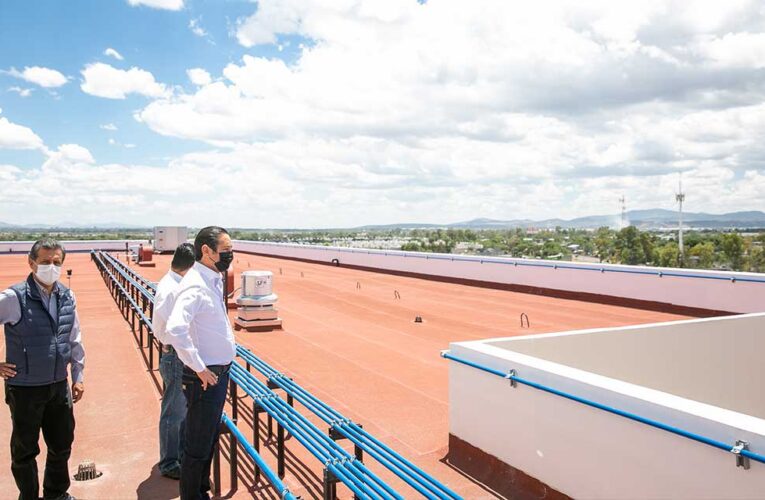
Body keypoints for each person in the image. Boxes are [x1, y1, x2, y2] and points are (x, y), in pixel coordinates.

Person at [0, 238, 85, 500]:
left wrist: (78, 376)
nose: (51, 267)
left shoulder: (68, 296)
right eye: (45, 262)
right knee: (25, 451)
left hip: (59, 385)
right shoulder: (14, 297)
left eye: (56, 262)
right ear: (31, 262)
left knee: (61, 445)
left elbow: (75, 339)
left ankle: (56, 494)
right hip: (25, 388)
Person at [164, 227, 235, 500]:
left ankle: (200, 492)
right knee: (197, 447)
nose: (230, 256)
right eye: (226, 251)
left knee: (206, 441)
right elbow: (175, 328)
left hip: (217, 373)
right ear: (206, 250)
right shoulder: (195, 285)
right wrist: (199, 367)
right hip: (206, 378)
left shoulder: (211, 278)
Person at [152, 243, 195, 480]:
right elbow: (174, 330)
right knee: (174, 412)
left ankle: (177, 455)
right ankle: (169, 462)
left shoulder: (172, 283)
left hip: (177, 355)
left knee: (180, 410)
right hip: (176, 356)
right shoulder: (172, 290)